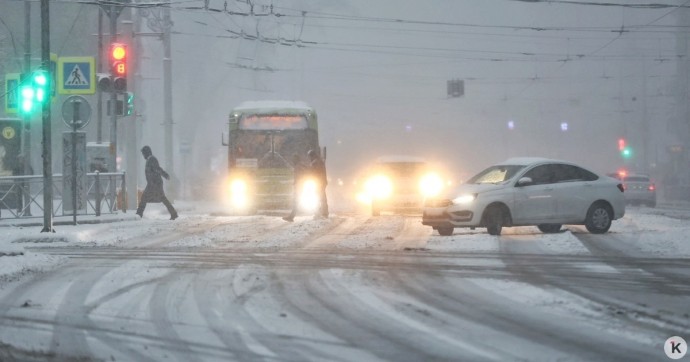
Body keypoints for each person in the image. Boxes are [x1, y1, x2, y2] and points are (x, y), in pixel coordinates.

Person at [136, 145, 178, 220]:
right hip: (153, 183)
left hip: (155, 183)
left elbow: (158, 169)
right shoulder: (150, 159)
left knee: (144, 198)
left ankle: (138, 214)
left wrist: (165, 175)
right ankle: (173, 213)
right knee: (162, 199)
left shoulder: (152, 159)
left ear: (146, 153)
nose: (143, 155)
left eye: (143, 153)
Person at [282, 154, 307, 222]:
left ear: (296, 160)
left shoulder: (298, 167)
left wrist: (297, 182)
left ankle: (291, 216)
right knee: (296, 201)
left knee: (296, 201)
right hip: (299, 185)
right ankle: (291, 216)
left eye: (294, 159)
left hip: (299, 186)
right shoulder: (300, 166)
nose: (293, 161)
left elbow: (299, 176)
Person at [308, 149, 328, 219]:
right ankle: (324, 212)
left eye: (310, 156)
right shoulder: (320, 161)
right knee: (322, 198)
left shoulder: (315, 163)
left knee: (318, 198)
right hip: (322, 182)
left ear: (312, 156)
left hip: (318, 182)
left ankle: (318, 213)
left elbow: (314, 173)